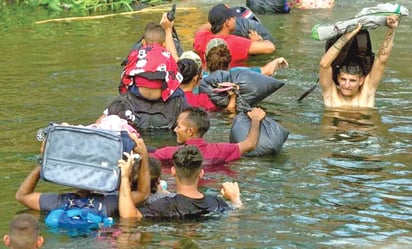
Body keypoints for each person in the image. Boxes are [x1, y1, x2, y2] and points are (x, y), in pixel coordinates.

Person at [15, 135, 150, 217]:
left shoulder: (59, 202)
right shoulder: (107, 203)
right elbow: (143, 193)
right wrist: (143, 155)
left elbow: (22, 196)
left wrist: (46, 159)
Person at [118, 145, 243, 219]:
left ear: (173, 171)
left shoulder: (164, 205)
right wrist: (235, 199)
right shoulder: (215, 202)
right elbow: (237, 215)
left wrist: (124, 178)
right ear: (201, 173)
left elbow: (129, 217)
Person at [319, 16, 399, 108]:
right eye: (343, 79)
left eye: (352, 80)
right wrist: (346, 37)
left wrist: (391, 29)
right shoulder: (331, 94)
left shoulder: (366, 94)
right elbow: (324, 64)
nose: (347, 85)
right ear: (337, 78)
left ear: (361, 81)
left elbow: (382, 59)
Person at [149, 106, 266, 164]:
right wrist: (256, 120)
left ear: (190, 131)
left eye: (178, 126)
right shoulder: (220, 150)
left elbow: (145, 160)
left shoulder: (169, 153)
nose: (175, 130)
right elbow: (251, 143)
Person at [193, 3, 275, 67]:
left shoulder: (201, 38)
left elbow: (201, 29)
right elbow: (270, 47)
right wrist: (258, 40)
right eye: (233, 17)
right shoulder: (235, 43)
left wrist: (218, 20)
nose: (236, 19)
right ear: (228, 22)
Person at [205, 37, 288, 75]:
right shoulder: (238, 73)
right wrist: (277, 61)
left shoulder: (197, 77)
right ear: (229, 58)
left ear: (205, 58)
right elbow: (267, 71)